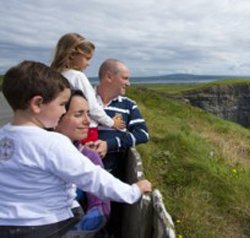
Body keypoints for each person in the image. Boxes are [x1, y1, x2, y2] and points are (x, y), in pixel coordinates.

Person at [0, 61, 151, 238]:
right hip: (49, 225)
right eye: (62, 104)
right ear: (37, 103)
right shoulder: (52, 143)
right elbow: (93, 178)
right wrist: (133, 192)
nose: (63, 111)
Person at [54, 89, 110, 235]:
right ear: (56, 118)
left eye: (88, 114)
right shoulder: (31, 154)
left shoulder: (89, 157)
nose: (87, 121)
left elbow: (100, 207)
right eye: (79, 114)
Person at [50, 33, 124, 143]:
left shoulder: (53, 76)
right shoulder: (77, 76)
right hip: (86, 131)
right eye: (87, 58)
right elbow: (92, 107)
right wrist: (111, 123)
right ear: (72, 55)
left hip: (62, 128)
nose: (88, 64)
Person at [93, 58, 149, 174]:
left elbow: (143, 134)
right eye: (125, 78)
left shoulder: (128, 105)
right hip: (79, 176)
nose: (128, 83)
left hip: (111, 179)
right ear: (109, 77)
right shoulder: (84, 101)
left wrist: (109, 145)